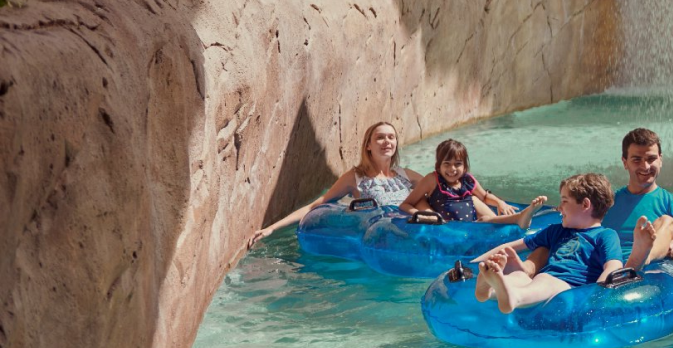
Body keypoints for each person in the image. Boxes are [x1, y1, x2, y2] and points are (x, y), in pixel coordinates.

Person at [249, 122, 425, 248]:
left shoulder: (406, 175)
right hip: (382, 242)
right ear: (368, 146)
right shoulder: (355, 177)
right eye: (380, 138)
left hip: (412, 237)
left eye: (391, 137)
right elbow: (315, 205)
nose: (387, 141)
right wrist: (271, 228)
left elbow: (437, 190)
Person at [473, 173, 625, 313]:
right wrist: (477, 263)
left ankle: (514, 298)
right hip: (543, 281)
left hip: (572, 291)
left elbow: (613, 267)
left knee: (546, 281)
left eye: (564, 201)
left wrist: (595, 297)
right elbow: (510, 247)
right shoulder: (556, 231)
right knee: (520, 276)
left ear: (585, 205)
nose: (559, 207)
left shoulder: (605, 235)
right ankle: (489, 291)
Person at [605, 128, 673, 268]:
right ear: (625, 162)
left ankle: (642, 258)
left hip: (652, 271)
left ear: (660, 160)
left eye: (651, 159)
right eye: (637, 160)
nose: (645, 166)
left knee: (667, 222)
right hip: (612, 269)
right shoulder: (607, 203)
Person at [401, 139, 546, 229]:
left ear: (465, 166)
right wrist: (426, 216)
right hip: (449, 228)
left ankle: (520, 218)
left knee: (485, 218)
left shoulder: (467, 180)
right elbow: (406, 204)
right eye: (447, 164)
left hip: (471, 227)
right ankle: (519, 218)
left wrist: (500, 203)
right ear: (438, 166)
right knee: (484, 219)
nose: (452, 169)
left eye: (458, 164)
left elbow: (484, 197)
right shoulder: (432, 180)